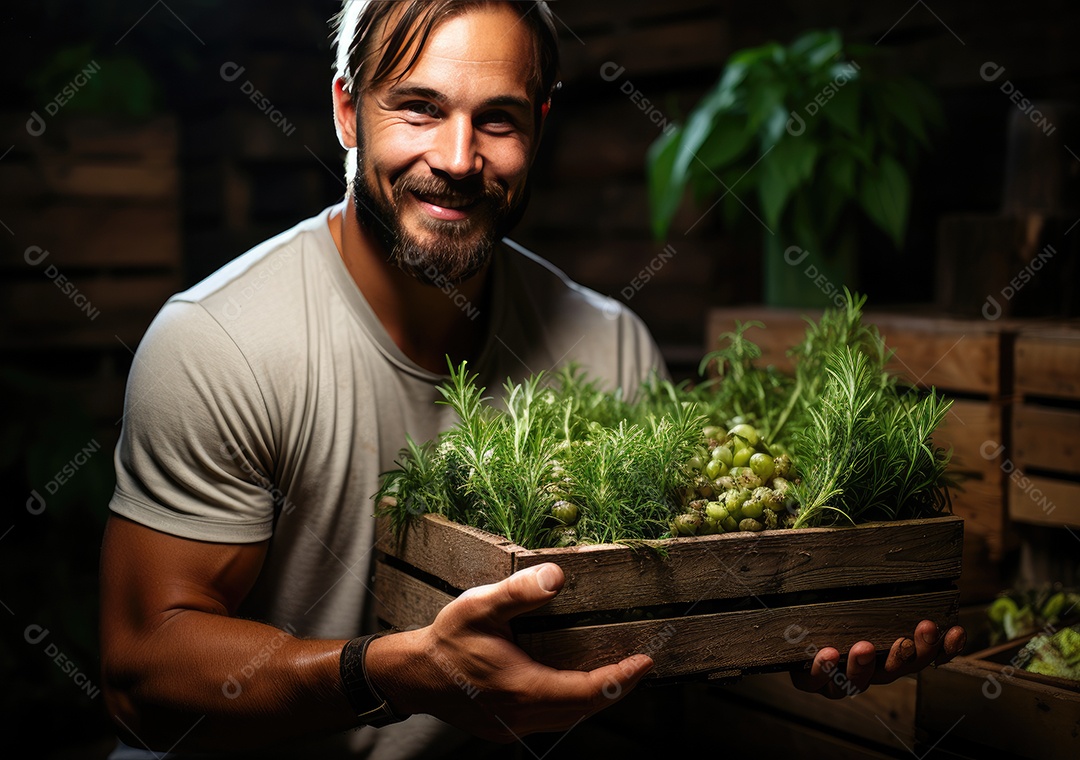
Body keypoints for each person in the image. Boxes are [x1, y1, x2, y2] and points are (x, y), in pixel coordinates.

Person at [98, 1, 965, 758]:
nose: (457, 157)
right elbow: (142, 677)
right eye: (419, 108)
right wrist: (390, 674)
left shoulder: (608, 345)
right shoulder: (220, 343)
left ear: (540, 127)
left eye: (499, 120)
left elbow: (659, 616)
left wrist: (794, 634)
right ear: (348, 111)